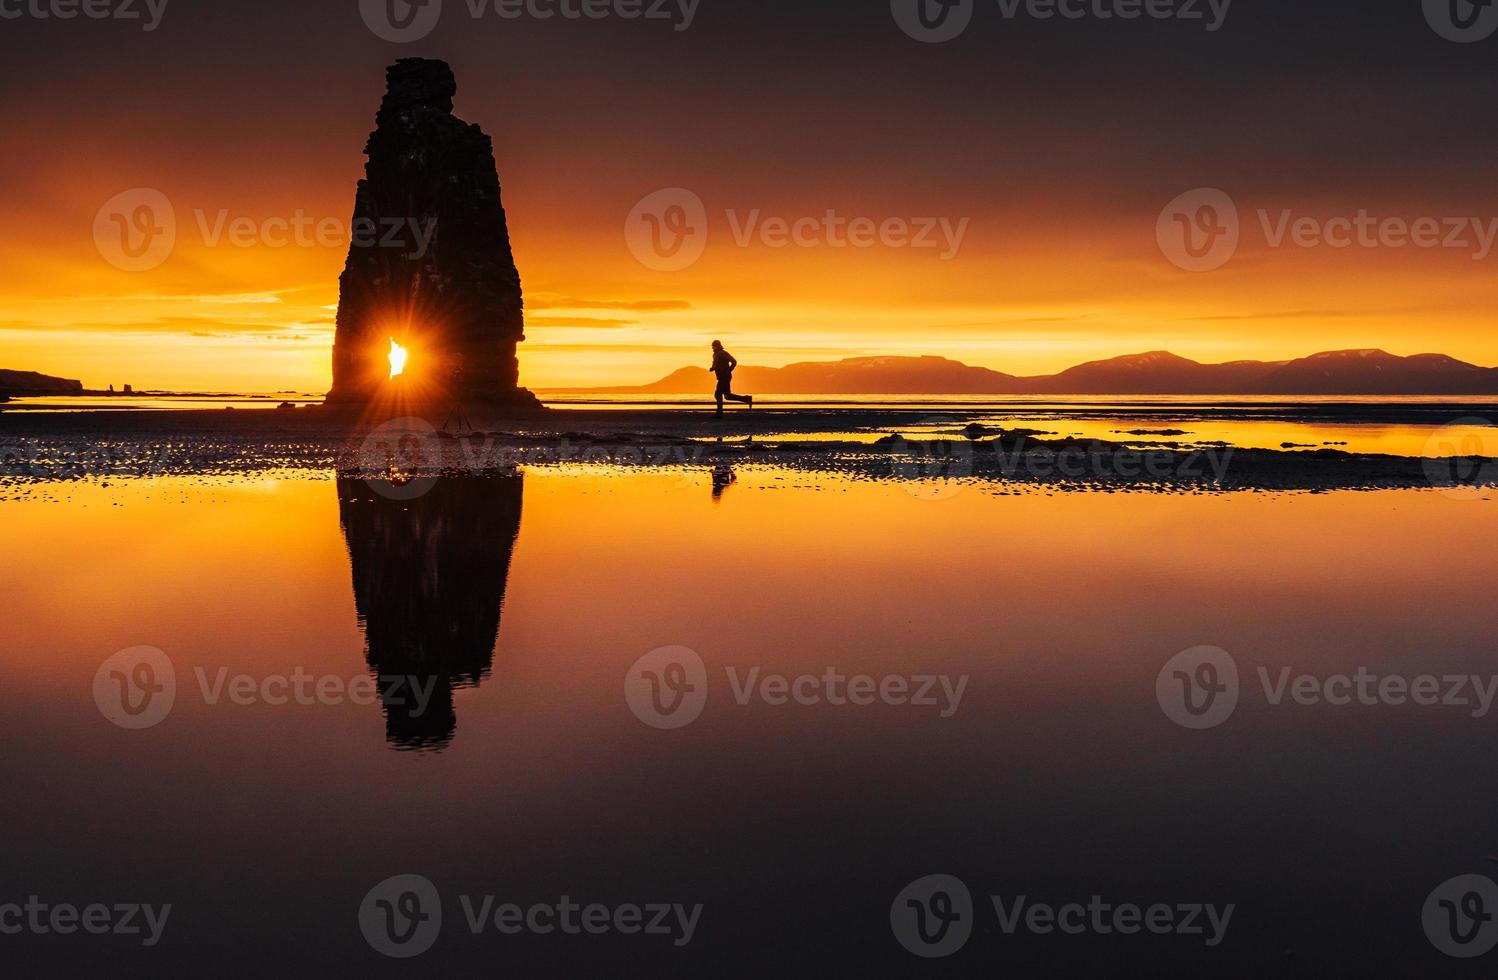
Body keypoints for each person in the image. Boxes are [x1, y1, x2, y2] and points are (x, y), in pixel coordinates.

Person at [710, 340, 753, 415]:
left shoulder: (723, 353)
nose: (712, 348)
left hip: (725, 376)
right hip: (721, 377)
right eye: (712, 346)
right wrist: (712, 368)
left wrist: (729, 370)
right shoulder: (715, 355)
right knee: (727, 396)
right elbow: (715, 365)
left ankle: (719, 413)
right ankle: (746, 399)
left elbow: (734, 361)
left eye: (714, 346)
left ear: (718, 346)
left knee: (718, 394)